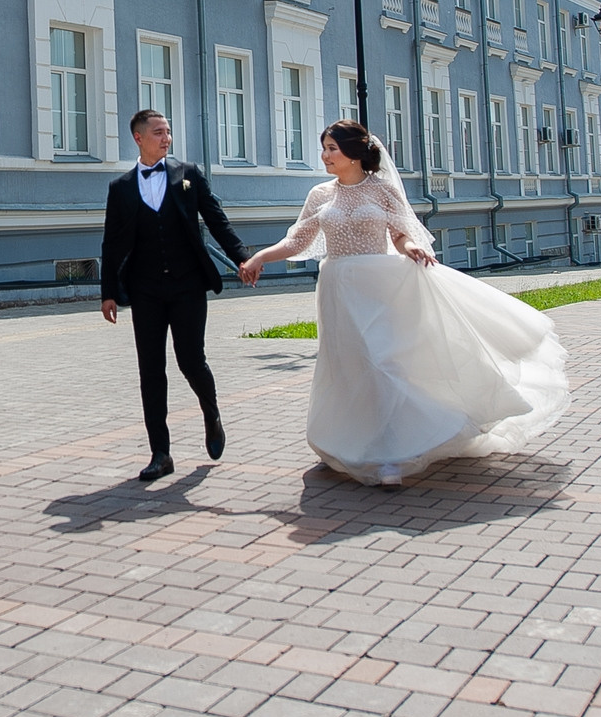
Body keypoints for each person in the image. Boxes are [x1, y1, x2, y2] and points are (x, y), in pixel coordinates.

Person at [236, 121, 568, 486]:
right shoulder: (320, 195)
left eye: (332, 148)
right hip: (338, 289)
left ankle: (392, 454)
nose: (325, 155)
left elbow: (400, 234)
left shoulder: (382, 191)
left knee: (383, 363)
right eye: (325, 148)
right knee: (349, 368)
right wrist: (259, 258)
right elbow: (297, 241)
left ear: (355, 152)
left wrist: (413, 250)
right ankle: (350, 443)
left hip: (380, 287)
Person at [100, 109, 250, 482]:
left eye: (168, 132)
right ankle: (160, 453)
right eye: (158, 133)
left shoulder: (189, 175)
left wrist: (243, 259)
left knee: (190, 360)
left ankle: (211, 413)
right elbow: (112, 242)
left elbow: (217, 220)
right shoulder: (120, 188)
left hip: (187, 286)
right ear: (138, 138)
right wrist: (108, 293)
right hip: (145, 290)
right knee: (151, 370)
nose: (166, 138)